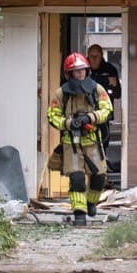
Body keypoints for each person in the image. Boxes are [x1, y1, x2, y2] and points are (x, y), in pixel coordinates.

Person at [47, 52, 113, 226]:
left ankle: (91, 203)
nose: (80, 74)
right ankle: (79, 214)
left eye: (83, 70)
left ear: (87, 71)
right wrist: (69, 123)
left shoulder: (97, 89)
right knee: (76, 179)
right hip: (72, 144)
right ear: (69, 74)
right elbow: (52, 116)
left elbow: (107, 109)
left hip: (93, 142)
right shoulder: (61, 94)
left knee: (99, 178)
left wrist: (90, 118)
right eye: (76, 71)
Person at [86, 44, 121, 150]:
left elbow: (118, 94)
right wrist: (105, 80)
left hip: (104, 112)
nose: (94, 59)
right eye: (91, 56)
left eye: (97, 56)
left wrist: (113, 86)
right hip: (86, 111)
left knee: (104, 142)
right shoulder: (84, 68)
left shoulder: (110, 69)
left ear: (101, 56)